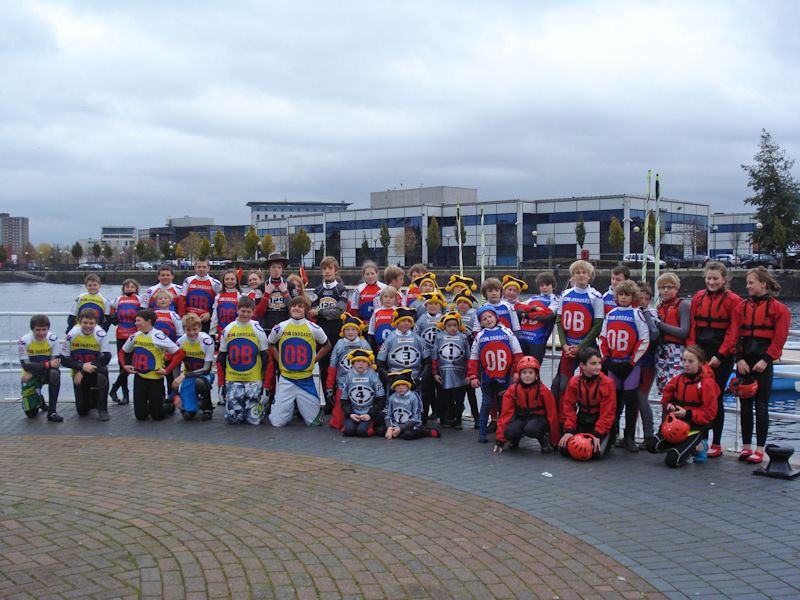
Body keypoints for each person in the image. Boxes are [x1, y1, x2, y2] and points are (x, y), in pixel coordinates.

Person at [733, 267, 791, 463]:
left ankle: (760, 448)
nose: (747, 286)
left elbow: (779, 338)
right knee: (745, 406)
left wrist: (766, 360)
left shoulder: (779, 309)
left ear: (763, 284)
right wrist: (738, 358)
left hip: (763, 362)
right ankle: (746, 446)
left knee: (762, 406)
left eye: (751, 283)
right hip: (745, 361)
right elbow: (734, 334)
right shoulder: (741, 307)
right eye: (747, 283)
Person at [687, 261, 742, 458]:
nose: (711, 282)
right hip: (700, 353)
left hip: (721, 356)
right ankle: (699, 440)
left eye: (715, 279)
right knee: (697, 397)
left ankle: (716, 442)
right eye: (708, 278)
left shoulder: (733, 300)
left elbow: (733, 330)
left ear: (724, 279)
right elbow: (693, 325)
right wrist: (693, 352)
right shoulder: (698, 297)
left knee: (715, 398)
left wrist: (721, 355)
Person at [598, 280, 650, 452]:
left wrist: (632, 361)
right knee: (614, 403)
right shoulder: (611, 314)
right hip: (614, 364)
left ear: (632, 296)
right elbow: (602, 338)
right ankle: (612, 434)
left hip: (630, 365)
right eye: (621, 295)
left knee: (630, 402)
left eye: (627, 295)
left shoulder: (637, 314)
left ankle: (629, 436)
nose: (624, 298)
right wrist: (606, 359)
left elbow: (644, 339)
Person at [646, 346, 719, 467]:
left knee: (671, 461)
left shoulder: (707, 384)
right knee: (651, 445)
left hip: (695, 428)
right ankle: (681, 445)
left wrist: (688, 413)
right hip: (677, 426)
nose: (686, 364)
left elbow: (710, 414)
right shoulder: (678, 380)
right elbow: (665, 400)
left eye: (691, 361)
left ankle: (699, 445)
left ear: (700, 363)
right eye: (684, 360)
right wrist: (670, 407)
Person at [267, 296, 331, 427]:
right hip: (286, 378)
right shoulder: (280, 327)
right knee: (276, 423)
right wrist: (279, 360)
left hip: (306, 379)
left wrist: (314, 361)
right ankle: (286, 410)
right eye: (294, 306)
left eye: (300, 306)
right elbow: (270, 344)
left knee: (315, 422)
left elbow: (327, 346)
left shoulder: (314, 328)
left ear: (306, 311)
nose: (296, 308)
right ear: (289, 309)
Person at [468, 304, 523, 443]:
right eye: (484, 318)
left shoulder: (508, 333)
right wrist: (473, 376)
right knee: (486, 405)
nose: (488, 320)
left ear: (496, 317)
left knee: (505, 406)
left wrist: (517, 372)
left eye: (490, 316)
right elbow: (473, 359)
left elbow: (517, 354)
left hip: (506, 376)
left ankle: (505, 433)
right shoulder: (479, 337)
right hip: (488, 378)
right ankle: (482, 432)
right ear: (480, 322)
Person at [218, 296, 270, 425]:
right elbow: (221, 358)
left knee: (254, 420)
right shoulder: (228, 329)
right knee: (233, 420)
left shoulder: (258, 329)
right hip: (233, 378)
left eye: (248, 312)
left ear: (253, 312)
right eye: (243, 311)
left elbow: (266, 358)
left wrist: (265, 384)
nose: (245, 314)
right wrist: (221, 382)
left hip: (253, 379)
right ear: (237, 310)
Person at [122, 308, 180, 421]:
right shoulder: (135, 336)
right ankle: (149, 405)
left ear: (148, 321)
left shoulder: (158, 336)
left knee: (157, 416)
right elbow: (123, 351)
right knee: (140, 416)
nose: (136, 323)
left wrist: (167, 370)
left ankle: (169, 405)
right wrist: (125, 365)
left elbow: (179, 353)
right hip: (139, 378)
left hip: (155, 379)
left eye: (138, 321)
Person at [558, 347, 616, 459]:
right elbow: (569, 407)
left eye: (599, 363)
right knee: (564, 449)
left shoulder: (607, 383)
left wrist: (598, 434)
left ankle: (609, 438)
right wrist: (569, 430)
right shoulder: (574, 382)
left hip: (601, 422)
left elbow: (608, 413)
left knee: (595, 453)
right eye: (593, 364)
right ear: (583, 366)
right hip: (583, 419)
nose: (598, 367)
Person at [493, 356, 559, 454]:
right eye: (524, 372)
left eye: (531, 373)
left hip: (538, 419)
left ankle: (544, 439)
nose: (527, 376)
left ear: (536, 374)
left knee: (531, 429)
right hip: (521, 417)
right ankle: (514, 440)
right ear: (519, 374)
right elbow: (505, 415)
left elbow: (552, 415)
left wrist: (555, 442)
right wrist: (500, 440)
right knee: (510, 431)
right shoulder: (512, 390)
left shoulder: (543, 391)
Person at [310, 256, 350, 413]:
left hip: (337, 332)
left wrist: (320, 312)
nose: (327, 271)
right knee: (324, 367)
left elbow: (339, 311)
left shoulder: (341, 290)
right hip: (321, 332)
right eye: (324, 268)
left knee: (339, 367)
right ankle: (328, 402)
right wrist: (321, 314)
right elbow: (311, 312)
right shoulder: (317, 290)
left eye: (330, 268)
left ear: (336, 270)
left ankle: (341, 401)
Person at [555, 260, 604, 381]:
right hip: (568, 347)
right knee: (563, 384)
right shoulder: (565, 294)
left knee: (587, 382)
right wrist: (564, 344)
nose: (581, 275)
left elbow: (598, 325)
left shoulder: (595, 296)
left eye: (584, 272)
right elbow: (559, 322)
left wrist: (581, 346)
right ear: (573, 275)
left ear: (589, 276)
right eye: (577, 272)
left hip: (587, 348)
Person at [61, 308, 112, 420]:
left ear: (96, 323)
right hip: (78, 372)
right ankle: (91, 397)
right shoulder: (72, 335)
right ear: (80, 321)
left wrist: (85, 369)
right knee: (82, 411)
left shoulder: (100, 334)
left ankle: (102, 409)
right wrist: (81, 367)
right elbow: (64, 360)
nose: (88, 326)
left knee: (102, 373)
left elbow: (107, 357)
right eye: (85, 323)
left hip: (94, 370)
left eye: (91, 323)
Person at [164, 313, 216, 421]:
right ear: (183, 329)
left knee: (199, 382)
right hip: (188, 376)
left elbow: (206, 370)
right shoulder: (180, 342)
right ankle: (197, 403)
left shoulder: (207, 341)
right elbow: (175, 366)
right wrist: (176, 393)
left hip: (204, 375)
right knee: (187, 416)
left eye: (194, 329)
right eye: (188, 330)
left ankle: (207, 407)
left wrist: (184, 376)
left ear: (200, 328)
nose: (191, 333)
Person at [326, 314, 373, 429]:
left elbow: (372, 365)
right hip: (343, 383)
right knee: (339, 414)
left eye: (353, 329)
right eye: (347, 329)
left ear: (358, 331)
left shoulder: (364, 344)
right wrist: (329, 386)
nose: (350, 332)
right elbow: (333, 365)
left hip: (362, 382)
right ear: (343, 331)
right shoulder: (340, 344)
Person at [18, 314, 62, 422]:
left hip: (40, 373)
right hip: (29, 374)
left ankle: (52, 411)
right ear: (32, 329)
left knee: (54, 373)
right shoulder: (24, 341)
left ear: (48, 329)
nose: (41, 333)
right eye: (38, 330)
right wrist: (47, 365)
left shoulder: (53, 339)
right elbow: (26, 365)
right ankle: (40, 400)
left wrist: (34, 371)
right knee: (31, 414)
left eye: (44, 329)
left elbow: (55, 364)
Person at [432, 311, 471, 429]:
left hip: (460, 372)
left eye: (455, 325)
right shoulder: (439, 337)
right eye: (449, 325)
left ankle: (458, 419)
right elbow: (435, 356)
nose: (452, 328)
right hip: (445, 373)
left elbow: (468, 357)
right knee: (448, 398)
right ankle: (450, 418)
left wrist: (469, 373)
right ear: (444, 326)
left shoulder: (463, 337)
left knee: (459, 398)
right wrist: (435, 373)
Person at [654, 273, 690, 393]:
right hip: (661, 351)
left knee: (675, 387)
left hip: (677, 350)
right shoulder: (659, 307)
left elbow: (683, 332)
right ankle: (665, 410)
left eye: (669, 287)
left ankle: (674, 410)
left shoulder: (682, 305)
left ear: (676, 288)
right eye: (662, 287)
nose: (665, 290)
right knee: (663, 387)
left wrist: (660, 325)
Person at [415, 291, 447, 423]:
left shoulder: (443, 319)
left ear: (440, 306)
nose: (433, 306)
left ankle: (443, 415)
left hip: (440, 358)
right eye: (430, 304)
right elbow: (416, 337)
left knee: (441, 389)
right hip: (427, 358)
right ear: (426, 305)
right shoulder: (421, 319)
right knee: (426, 389)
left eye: (436, 304)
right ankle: (424, 416)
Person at [109, 278, 142, 405]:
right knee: (123, 365)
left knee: (133, 364)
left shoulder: (139, 299)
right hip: (121, 334)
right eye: (127, 286)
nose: (130, 288)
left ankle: (114, 389)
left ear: (136, 288)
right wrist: (113, 317)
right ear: (123, 289)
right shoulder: (118, 300)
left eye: (132, 286)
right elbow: (110, 309)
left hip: (134, 336)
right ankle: (125, 395)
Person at [376, 307, 427, 386]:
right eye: (403, 320)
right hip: (395, 376)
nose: (406, 323)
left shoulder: (418, 339)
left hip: (414, 377)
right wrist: (389, 379)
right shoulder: (390, 338)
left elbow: (427, 362)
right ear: (397, 322)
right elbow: (380, 363)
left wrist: (420, 379)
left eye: (409, 321)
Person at [340, 349, 386, 437]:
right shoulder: (349, 376)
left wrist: (370, 415)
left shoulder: (373, 376)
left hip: (368, 412)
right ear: (352, 364)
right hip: (354, 412)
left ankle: (372, 425)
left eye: (364, 362)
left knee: (362, 432)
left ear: (369, 365)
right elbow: (344, 400)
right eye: (357, 361)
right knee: (348, 431)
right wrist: (350, 414)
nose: (361, 364)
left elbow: (380, 399)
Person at [635, 281, 659, 448]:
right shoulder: (632, 312)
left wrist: (648, 316)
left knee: (642, 397)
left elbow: (655, 334)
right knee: (632, 398)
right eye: (640, 298)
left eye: (646, 298)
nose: (643, 301)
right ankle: (629, 432)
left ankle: (648, 434)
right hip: (635, 360)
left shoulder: (652, 313)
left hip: (648, 361)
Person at [384, 370, 441, 440]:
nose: (400, 387)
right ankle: (396, 431)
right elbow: (387, 415)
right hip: (396, 424)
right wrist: (389, 428)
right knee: (380, 430)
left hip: (410, 425)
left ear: (408, 386)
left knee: (407, 435)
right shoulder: (392, 398)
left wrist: (400, 428)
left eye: (403, 385)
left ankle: (427, 432)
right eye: (397, 385)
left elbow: (416, 418)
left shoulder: (413, 397)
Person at [452, 289, 479, 427]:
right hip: (457, 357)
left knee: (471, 392)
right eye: (459, 302)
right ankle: (457, 418)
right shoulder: (454, 315)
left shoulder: (475, 315)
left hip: (471, 355)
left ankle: (477, 418)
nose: (462, 305)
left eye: (465, 302)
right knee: (459, 392)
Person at [516, 272, 558, 362]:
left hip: (537, 341)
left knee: (534, 369)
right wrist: (533, 309)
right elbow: (517, 307)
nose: (544, 287)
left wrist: (526, 315)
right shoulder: (532, 299)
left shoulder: (554, 300)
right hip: (522, 338)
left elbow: (546, 314)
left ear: (553, 286)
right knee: (519, 367)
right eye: (542, 285)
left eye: (547, 285)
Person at [255, 252, 298, 331]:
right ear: (269, 269)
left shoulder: (290, 286)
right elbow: (258, 313)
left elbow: (296, 310)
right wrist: (266, 294)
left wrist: (285, 293)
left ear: (282, 269)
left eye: (279, 267)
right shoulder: (261, 287)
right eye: (273, 267)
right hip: (268, 328)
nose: (276, 270)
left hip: (286, 328)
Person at [179, 257, 221, 332]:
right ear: (195, 268)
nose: (201, 269)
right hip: (190, 319)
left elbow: (219, 303)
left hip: (205, 320)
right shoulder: (188, 281)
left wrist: (210, 314)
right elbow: (182, 301)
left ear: (208, 268)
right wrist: (183, 317)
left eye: (204, 267)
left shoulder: (215, 283)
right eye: (199, 267)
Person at [209, 269, 243, 339]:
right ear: (223, 281)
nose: (229, 281)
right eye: (227, 279)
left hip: (236, 332)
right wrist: (212, 332)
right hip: (221, 332)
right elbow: (215, 316)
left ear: (236, 281)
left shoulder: (241, 296)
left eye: (232, 279)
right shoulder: (218, 296)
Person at [367, 286, 400, 352]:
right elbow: (371, 331)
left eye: (391, 297)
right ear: (381, 298)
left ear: (395, 299)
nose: (388, 299)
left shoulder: (398, 311)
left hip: (395, 347)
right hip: (379, 346)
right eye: (385, 297)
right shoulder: (376, 312)